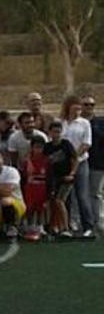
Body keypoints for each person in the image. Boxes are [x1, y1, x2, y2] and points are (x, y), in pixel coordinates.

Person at [61, 95, 95, 238]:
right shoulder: (61, 122)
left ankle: (87, 226)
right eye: (75, 109)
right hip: (64, 164)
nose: (77, 112)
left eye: (79, 109)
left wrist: (74, 157)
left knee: (82, 195)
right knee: (65, 196)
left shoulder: (84, 124)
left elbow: (86, 143)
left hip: (80, 163)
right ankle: (67, 226)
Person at [44, 121, 76, 238]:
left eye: (58, 132)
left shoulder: (66, 144)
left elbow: (74, 159)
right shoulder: (47, 147)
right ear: (50, 132)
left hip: (66, 178)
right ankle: (54, 226)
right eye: (54, 132)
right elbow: (45, 162)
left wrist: (72, 173)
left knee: (59, 201)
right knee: (52, 202)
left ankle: (66, 228)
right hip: (53, 179)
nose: (56, 134)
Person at [80, 94, 104, 232]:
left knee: (96, 193)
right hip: (80, 162)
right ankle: (78, 221)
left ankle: (99, 221)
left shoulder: (101, 122)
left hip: (97, 163)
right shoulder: (76, 123)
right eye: (86, 104)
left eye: (91, 105)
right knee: (80, 194)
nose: (89, 107)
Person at [22, 137, 49, 241]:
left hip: (42, 187)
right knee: (30, 207)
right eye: (36, 147)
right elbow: (24, 175)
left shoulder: (46, 160)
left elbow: (49, 176)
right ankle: (30, 226)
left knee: (41, 207)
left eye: (40, 148)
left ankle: (40, 226)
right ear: (32, 148)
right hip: (30, 187)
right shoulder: (27, 161)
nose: (38, 150)